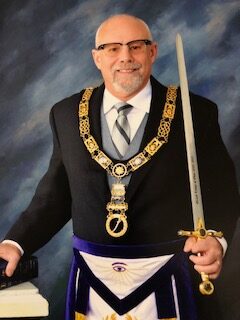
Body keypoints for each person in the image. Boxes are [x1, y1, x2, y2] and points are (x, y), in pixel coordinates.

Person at [0, 14, 239, 319]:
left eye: (136, 46)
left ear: (152, 52)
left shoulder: (196, 113)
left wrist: (216, 241)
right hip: (92, 286)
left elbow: (223, 191)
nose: (125, 57)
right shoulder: (66, 114)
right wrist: (16, 242)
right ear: (96, 57)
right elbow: (56, 195)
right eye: (112, 48)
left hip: (172, 280)